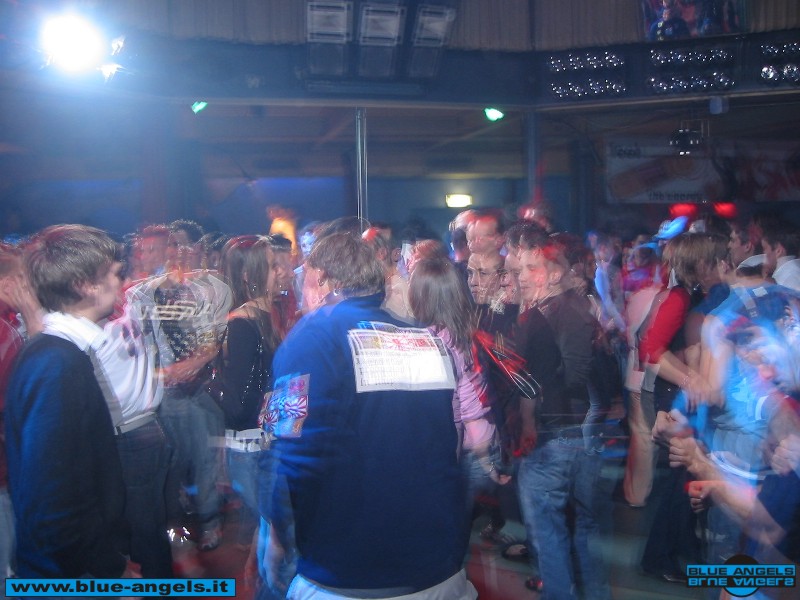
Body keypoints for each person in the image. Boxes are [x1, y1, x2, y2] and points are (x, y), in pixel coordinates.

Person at [260, 232, 475, 599]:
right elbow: (447, 444)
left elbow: (289, 449)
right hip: (438, 563)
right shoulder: (424, 339)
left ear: (322, 279)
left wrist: (277, 533)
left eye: (304, 276)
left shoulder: (311, 337)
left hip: (349, 573)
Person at [5, 225, 139, 580]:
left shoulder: (58, 354)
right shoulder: (57, 364)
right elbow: (53, 503)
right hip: (67, 577)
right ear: (85, 285)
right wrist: (109, 573)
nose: (123, 283)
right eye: (115, 274)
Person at [515, 237, 610, 599]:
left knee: (552, 529)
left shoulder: (561, 312)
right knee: (580, 526)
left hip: (561, 431)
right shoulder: (564, 308)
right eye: (520, 268)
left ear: (554, 274)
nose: (522, 275)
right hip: (573, 432)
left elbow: (574, 374)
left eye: (531, 268)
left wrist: (534, 387)